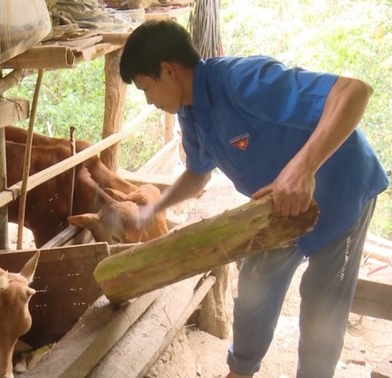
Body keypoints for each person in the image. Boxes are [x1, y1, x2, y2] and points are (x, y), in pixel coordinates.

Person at [119, 20, 389, 378]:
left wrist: (302, 168)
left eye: (146, 88)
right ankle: (241, 372)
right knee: (255, 288)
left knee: (323, 307)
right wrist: (154, 209)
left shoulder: (242, 81)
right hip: (278, 210)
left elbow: (354, 92)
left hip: (342, 195)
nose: (149, 101)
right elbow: (198, 172)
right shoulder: (191, 113)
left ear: (168, 71)